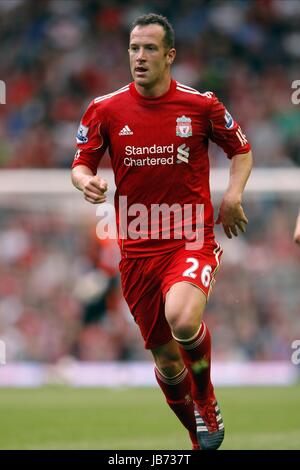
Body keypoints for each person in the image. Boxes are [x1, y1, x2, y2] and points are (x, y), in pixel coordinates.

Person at [71, 13, 253, 450]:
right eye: (134, 48)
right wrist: (86, 181)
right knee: (168, 363)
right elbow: (80, 164)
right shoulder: (105, 109)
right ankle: (196, 433)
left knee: (183, 318)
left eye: (149, 48)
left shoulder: (201, 105)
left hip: (190, 238)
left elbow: (241, 150)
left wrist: (232, 197)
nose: (139, 56)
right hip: (136, 250)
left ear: (169, 55)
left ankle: (206, 400)